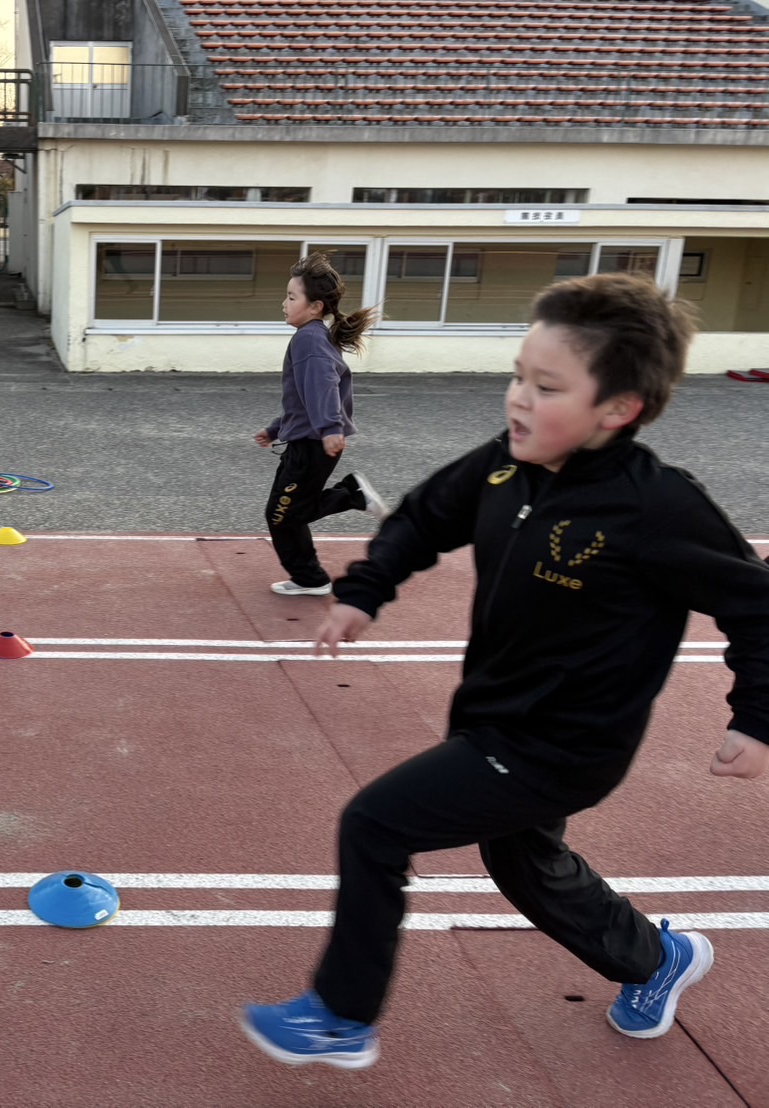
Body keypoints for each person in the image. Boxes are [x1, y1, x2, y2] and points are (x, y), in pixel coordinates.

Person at [240, 272, 769, 1070]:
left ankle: (341, 1017)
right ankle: (655, 960)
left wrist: (757, 719)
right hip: (492, 715)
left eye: (546, 386)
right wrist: (364, 591)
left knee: (375, 826)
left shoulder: (657, 507)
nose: (518, 398)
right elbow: (424, 514)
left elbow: (758, 607)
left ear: (617, 409)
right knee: (524, 865)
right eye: (517, 375)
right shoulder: (505, 464)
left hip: (560, 746)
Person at [257, 253, 389, 597]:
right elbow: (302, 401)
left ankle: (351, 498)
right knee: (288, 513)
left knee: (283, 515)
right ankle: (309, 576)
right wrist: (275, 428)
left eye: (291, 297)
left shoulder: (309, 340)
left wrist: (331, 428)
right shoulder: (313, 337)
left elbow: (322, 386)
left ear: (315, 306)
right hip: (308, 441)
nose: (283, 303)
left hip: (314, 445)